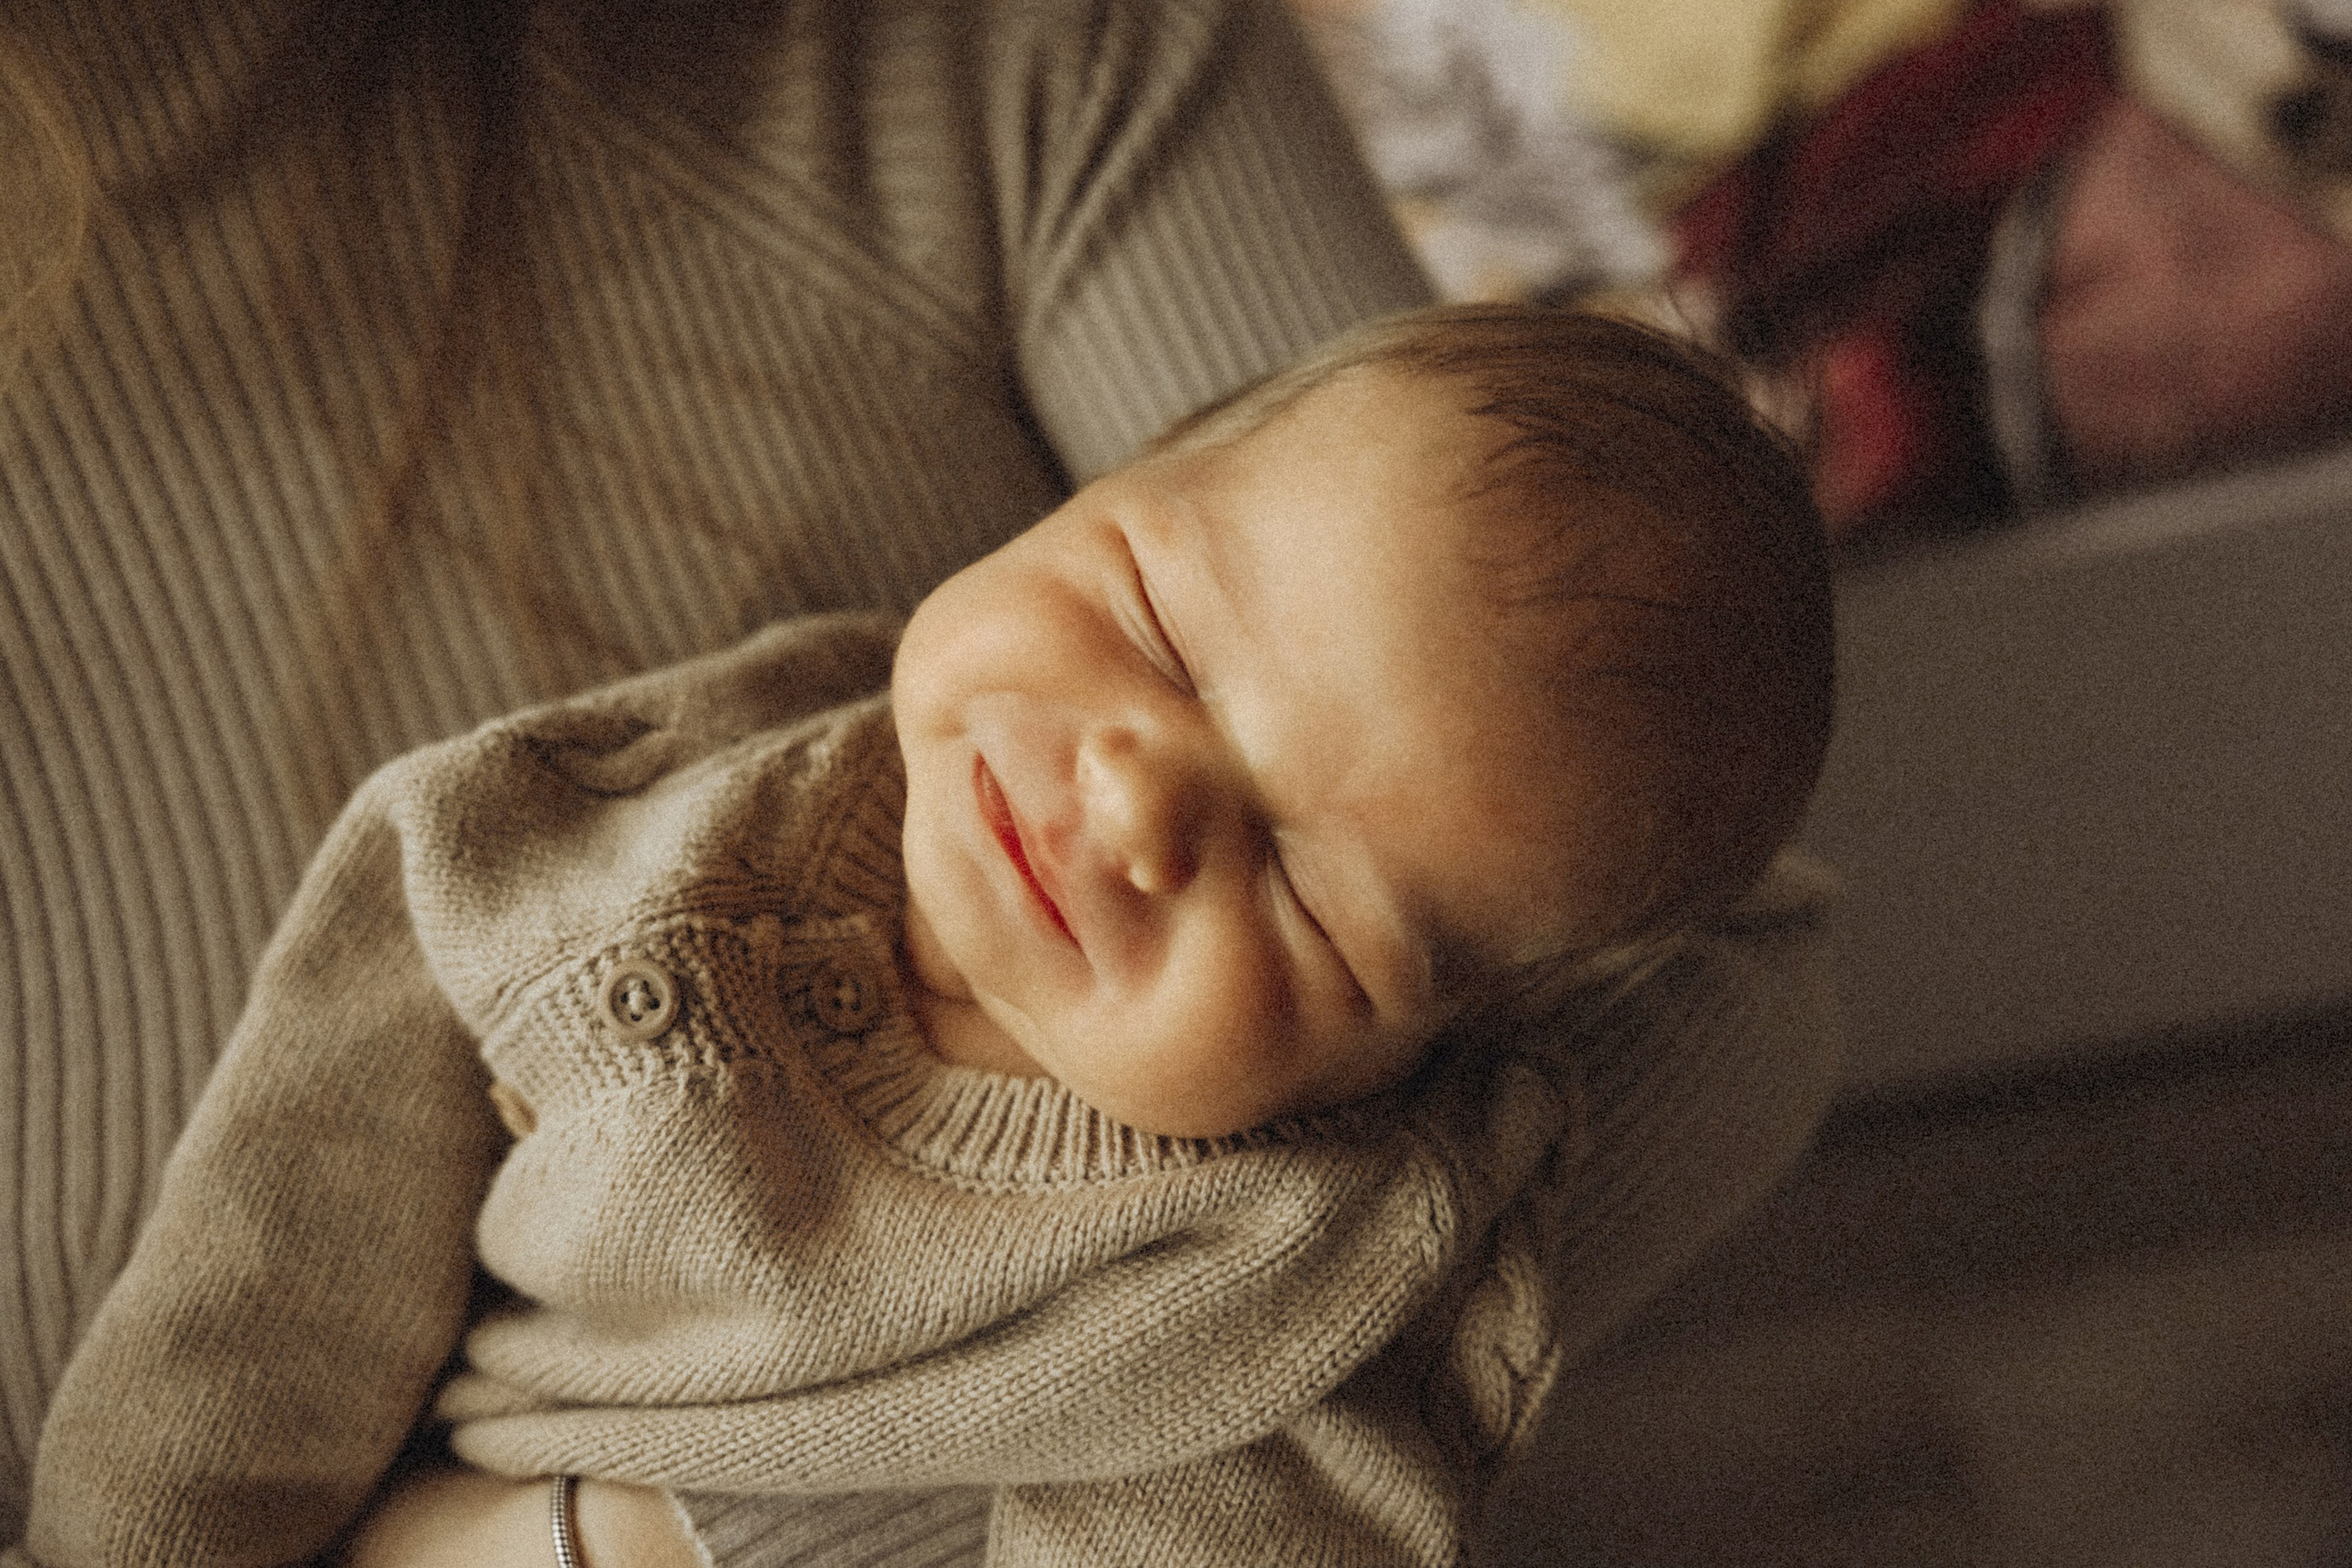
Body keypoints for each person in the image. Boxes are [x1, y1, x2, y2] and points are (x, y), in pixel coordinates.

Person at [13, 305, 1839, 1568]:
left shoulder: (1293, 1275)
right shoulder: (622, 843)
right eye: (1152, 621)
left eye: (1304, 893)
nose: (1134, 810)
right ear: (1093, 483)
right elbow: (273, 1254)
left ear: (1432, 1039)